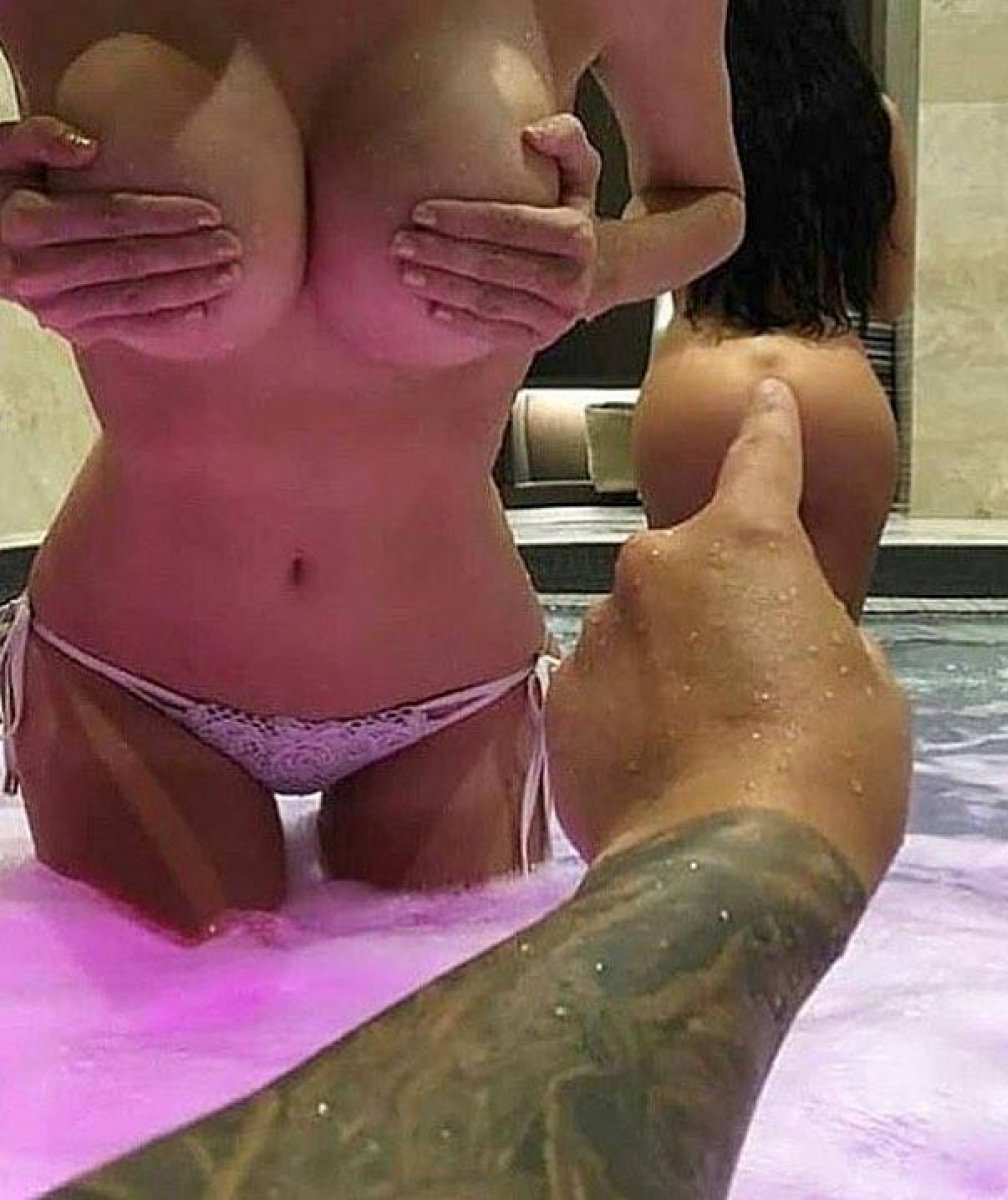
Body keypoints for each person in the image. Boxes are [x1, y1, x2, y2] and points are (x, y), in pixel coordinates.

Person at [55, 381, 912, 1199]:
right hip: (132, 673)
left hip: (441, 683)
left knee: (187, 1027)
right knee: (169, 1037)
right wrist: (756, 827)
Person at [0, 2, 745, 939]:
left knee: (452, 1042)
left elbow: (710, 196)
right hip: (126, 685)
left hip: (453, 699)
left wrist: (608, 266)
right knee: (189, 1032)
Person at [633, 0, 916, 620]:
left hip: (701, 377)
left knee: (696, 645)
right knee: (825, 650)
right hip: (836, 388)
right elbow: (888, 297)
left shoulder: (683, 120)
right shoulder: (875, 120)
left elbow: (652, 260)